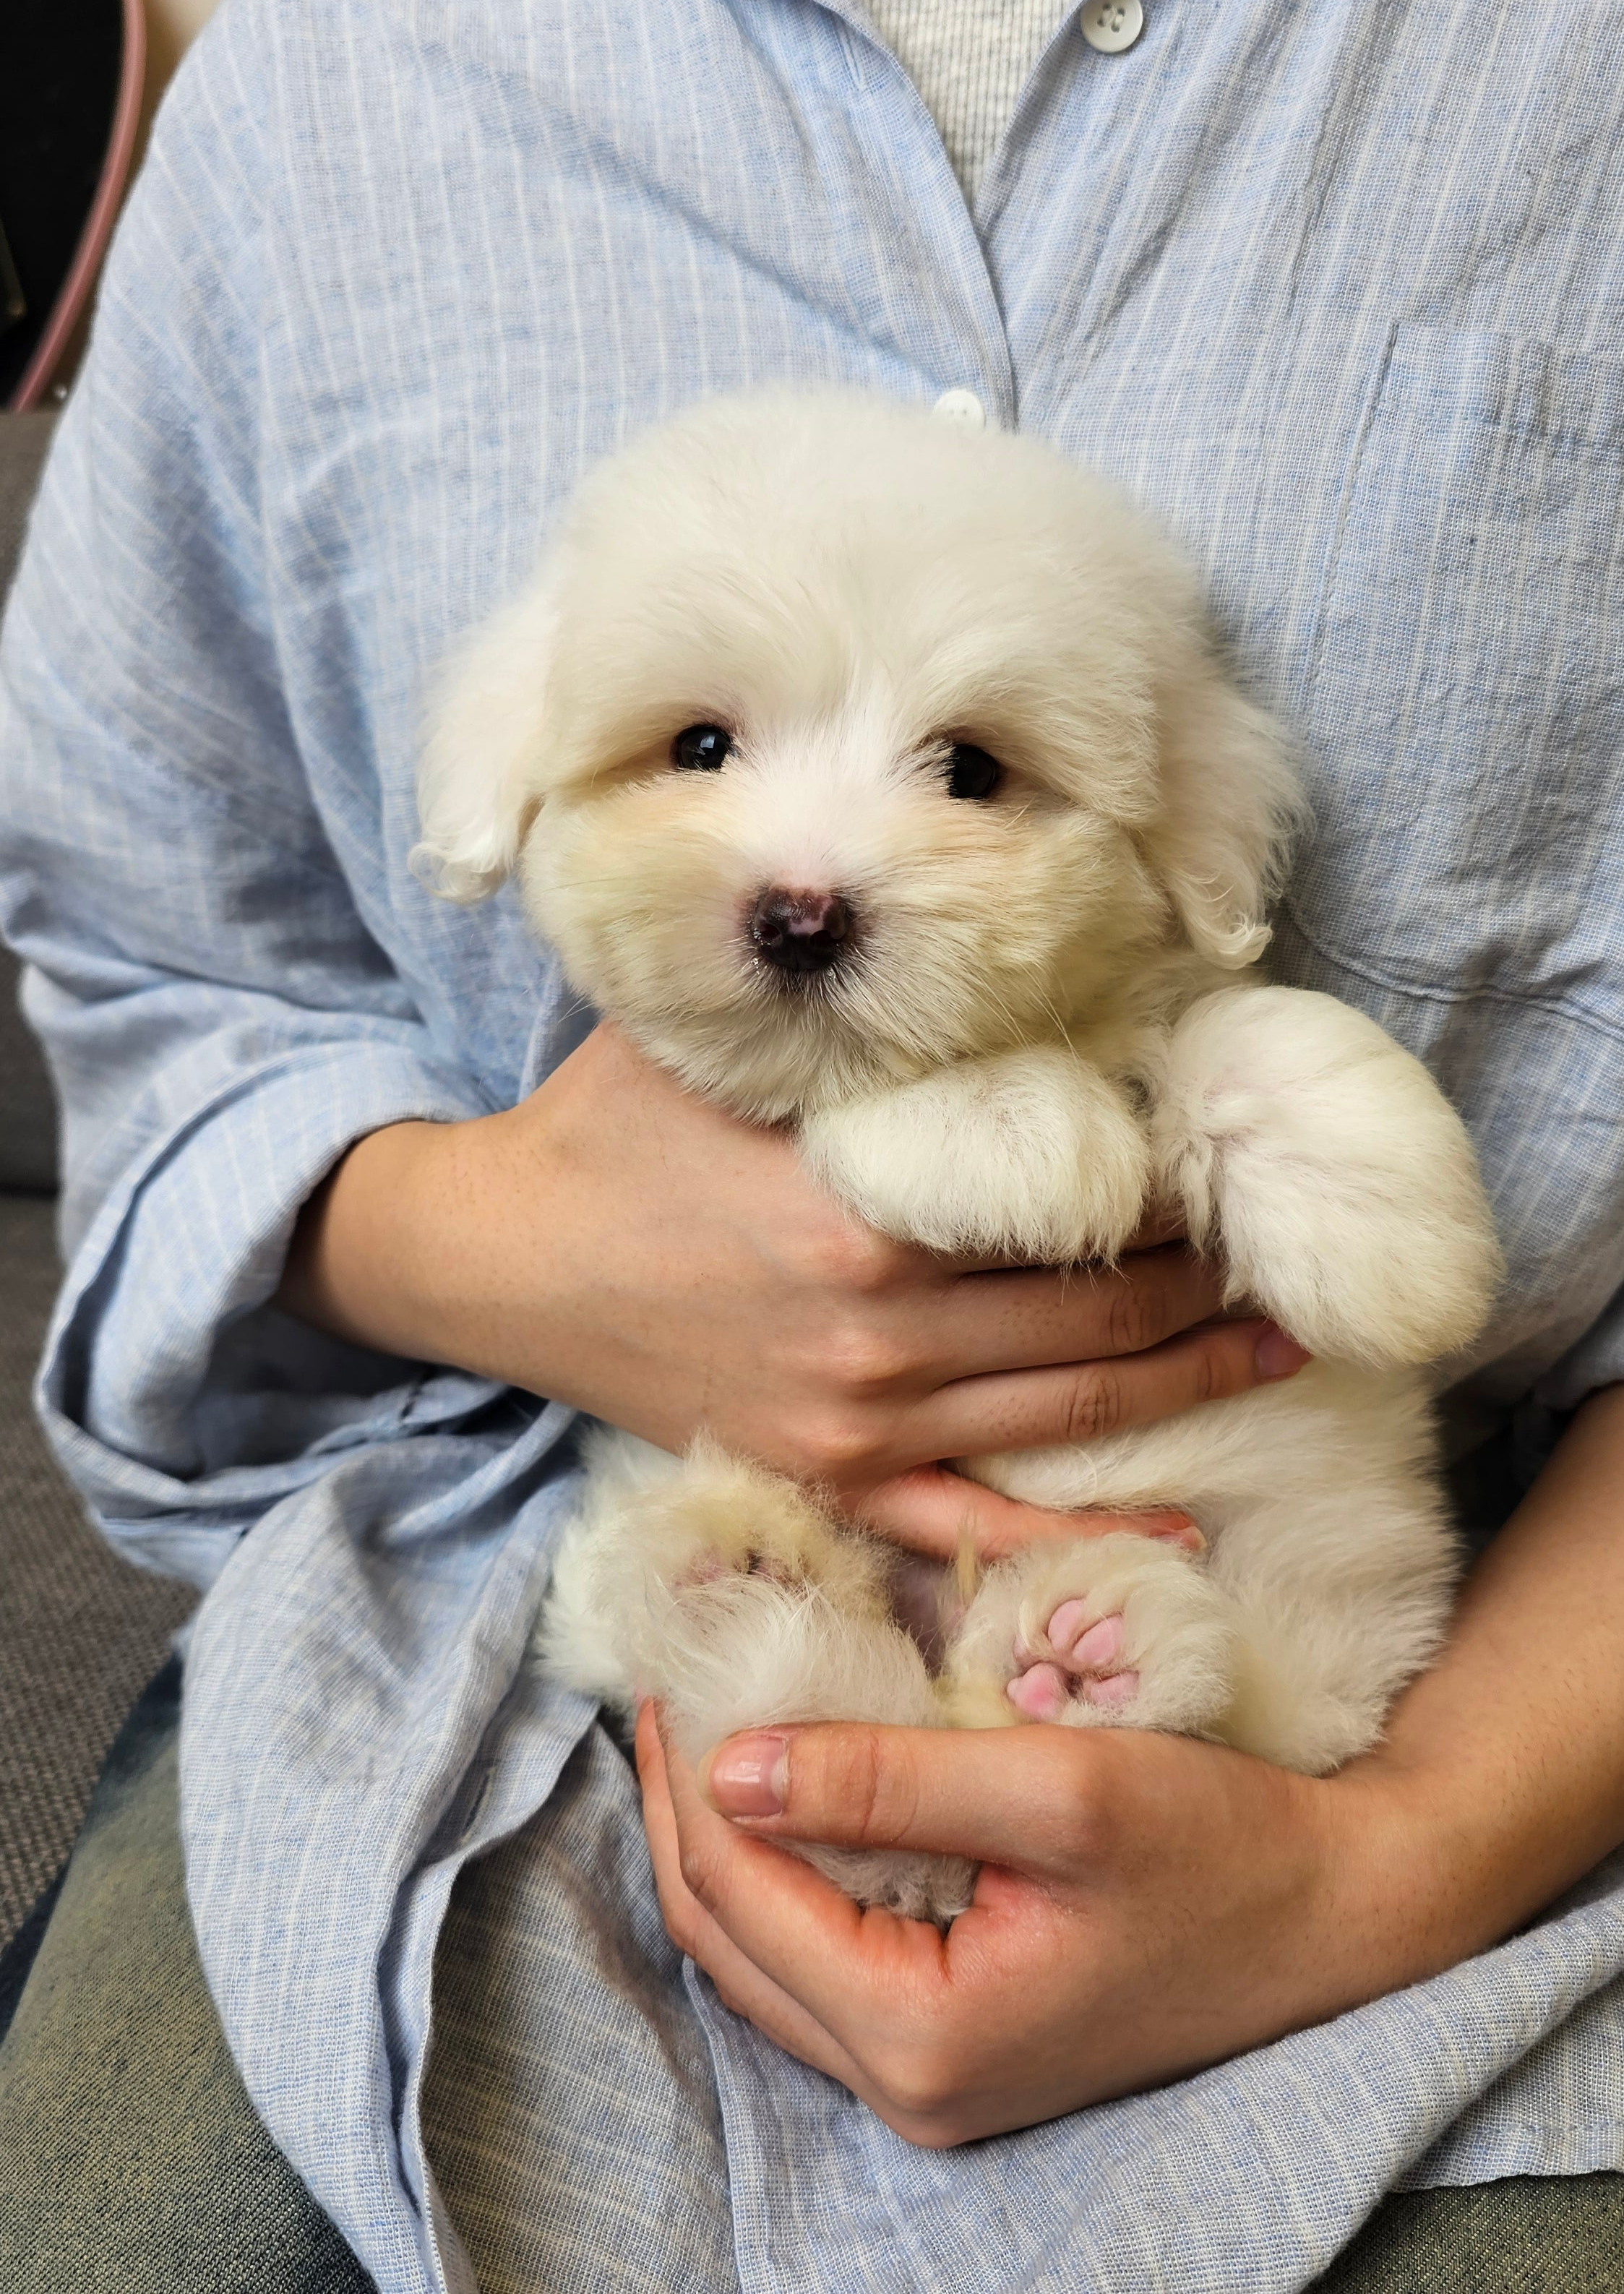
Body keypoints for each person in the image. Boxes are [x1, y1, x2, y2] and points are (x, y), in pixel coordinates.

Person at [4, 0, 1624, 2288]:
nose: (811, 871)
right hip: (473, 1671)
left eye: (969, 767)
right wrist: (487, 1233)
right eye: (696, 739)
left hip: (1494, 1720)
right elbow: (159, 972)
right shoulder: (320, 82)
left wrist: (1398, 1855)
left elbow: (1394, 1254)